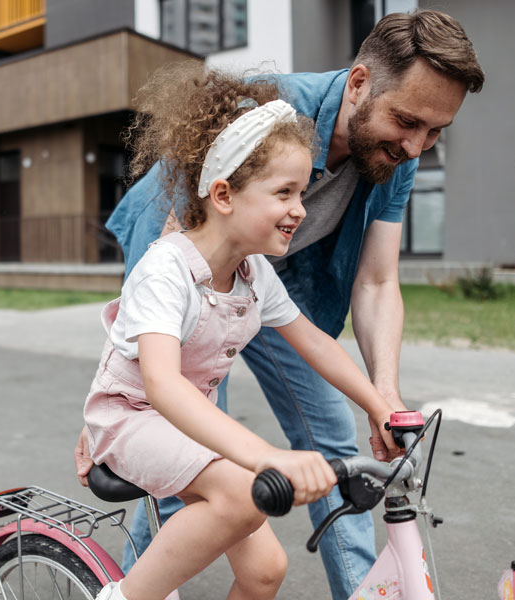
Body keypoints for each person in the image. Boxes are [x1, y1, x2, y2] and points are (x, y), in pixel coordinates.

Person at [76, 9, 484, 599]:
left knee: (275, 546)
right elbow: (158, 349)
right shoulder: (258, 123)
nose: (417, 146)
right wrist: (264, 454)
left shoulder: (264, 268)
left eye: (435, 131)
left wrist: (382, 400)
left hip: (250, 279)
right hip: (175, 311)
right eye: (407, 121)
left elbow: (366, 289)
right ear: (360, 82)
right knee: (192, 479)